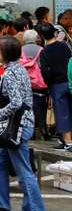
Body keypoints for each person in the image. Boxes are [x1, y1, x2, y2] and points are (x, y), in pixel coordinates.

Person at [0, 35, 47, 211]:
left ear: (5, 53)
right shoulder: (17, 68)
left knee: (23, 170)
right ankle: (0, 204)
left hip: (17, 127)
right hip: (20, 125)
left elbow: (17, 102)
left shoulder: (11, 73)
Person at [39, 22, 72, 150]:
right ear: (55, 33)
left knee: (62, 112)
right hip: (69, 82)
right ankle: (65, 140)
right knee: (69, 110)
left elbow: (45, 72)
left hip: (56, 85)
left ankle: (68, 142)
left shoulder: (45, 51)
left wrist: (48, 83)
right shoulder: (64, 46)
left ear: (42, 36)